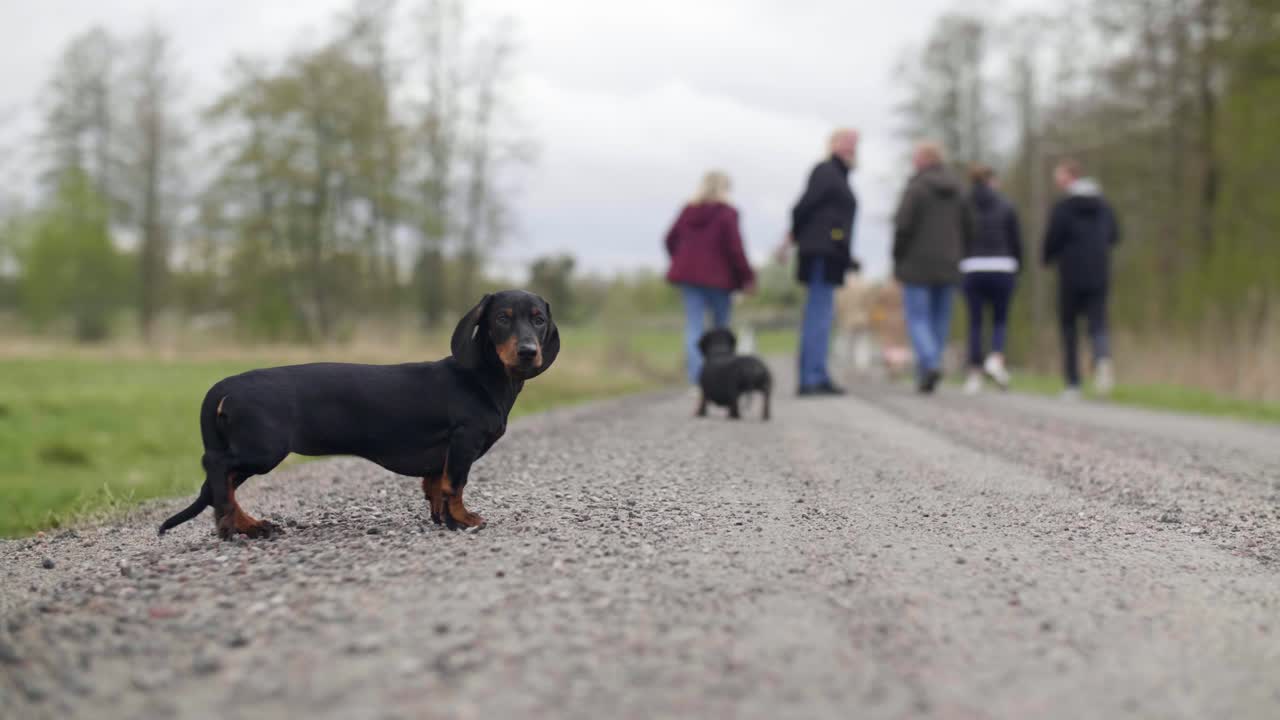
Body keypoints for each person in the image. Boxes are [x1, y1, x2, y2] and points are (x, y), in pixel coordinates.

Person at [783, 128, 860, 396]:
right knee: (818, 315)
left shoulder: (839, 176)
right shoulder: (826, 172)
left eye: (854, 143)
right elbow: (801, 208)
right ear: (833, 144)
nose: (851, 147)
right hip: (821, 253)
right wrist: (798, 236)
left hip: (830, 253)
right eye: (846, 142)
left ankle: (816, 374)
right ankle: (811, 377)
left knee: (823, 315)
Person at [892, 141, 972, 394]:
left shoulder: (916, 188)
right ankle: (930, 368)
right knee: (940, 320)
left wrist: (897, 257)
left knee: (918, 318)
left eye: (915, 157)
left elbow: (903, 226)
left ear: (924, 159)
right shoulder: (959, 189)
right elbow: (970, 226)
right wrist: (960, 253)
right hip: (949, 263)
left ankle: (929, 363)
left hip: (917, 264)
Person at [665, 170, 756, 386]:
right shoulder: (727, 213)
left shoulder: (688, 210)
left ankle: (698, 379)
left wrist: (681, 260)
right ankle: (719, 378)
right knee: (721, 329)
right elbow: (735, 249)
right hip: (720, 279)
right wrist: (747, 277)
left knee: (694, 327)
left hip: (690, 278)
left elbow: (669, 239)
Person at [1043, 158, 1120, 399]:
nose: (1057, 183)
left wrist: (1047, 258)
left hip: (1071, 274)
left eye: (1059, 178)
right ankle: (1102, 359)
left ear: (1069, 178)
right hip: (1099, 271)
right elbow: (1116, 235)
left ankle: (1073, 383)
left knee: (1069, 328)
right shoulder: (1104, 205)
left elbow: (1052, 239)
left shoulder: (1063, 207)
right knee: (1098, 322)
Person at [961, 165, 1023, 394]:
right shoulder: (1006, 205)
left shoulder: (964, 205)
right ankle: (996, 358)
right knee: (999, 320)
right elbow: (1016, 241)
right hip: (1002, 267)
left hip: (973, 266)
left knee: (975, 323)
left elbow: (960, 237)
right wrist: (1018, 266)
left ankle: (974, 374)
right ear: (992, 181)